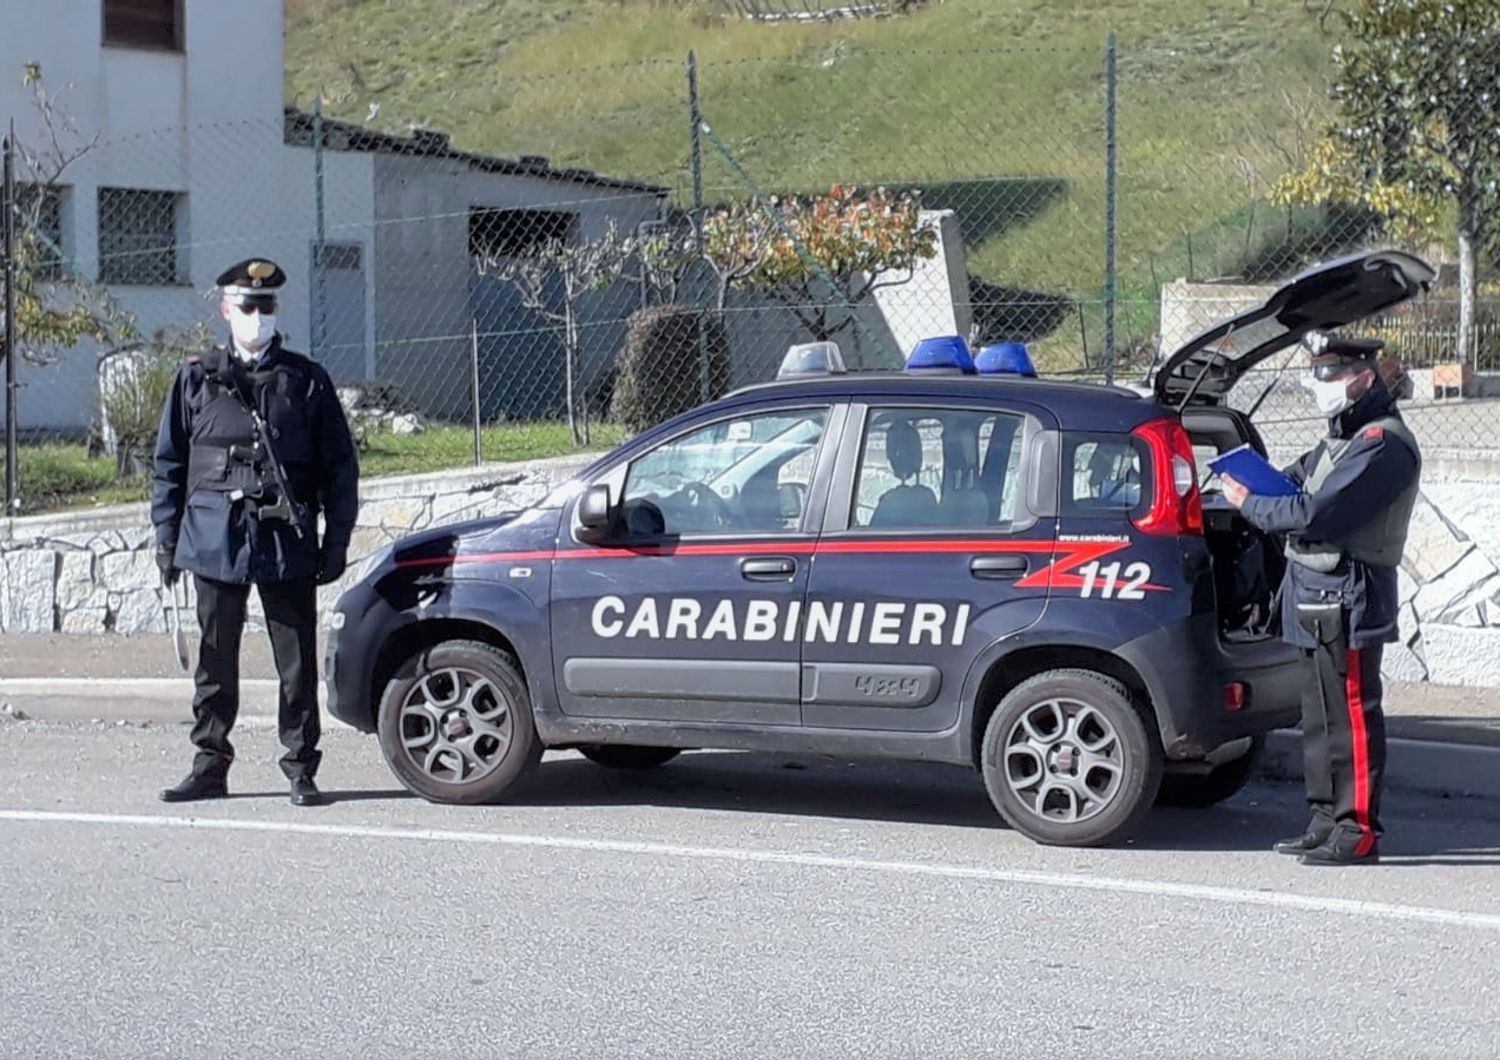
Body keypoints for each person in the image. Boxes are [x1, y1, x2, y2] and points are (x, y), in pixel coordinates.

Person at [150, 258, 359, 806]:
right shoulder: (196, 378)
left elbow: (340, 468)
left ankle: (300, 768)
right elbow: (169, 465)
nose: (258, 315)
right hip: (214, 539)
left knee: (296, 665)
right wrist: (166, 539)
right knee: (214, 661)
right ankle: (210, 766)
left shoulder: (306, 381)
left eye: (266, 306)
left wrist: (336, 541)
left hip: (284, 539)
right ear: (226, 309)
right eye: (247, 305)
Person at [1222, 330, 1421, 866]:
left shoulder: (1383, 445)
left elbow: (1314, 515)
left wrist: (1250, 507)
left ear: (1365, 375)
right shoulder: (1342, 438)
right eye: (1318, 372)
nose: (1322, 384)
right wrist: (1252, 480)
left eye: (1332, 373)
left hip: (1352, 593)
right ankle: (1324, 818)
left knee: (1351, 712)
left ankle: (1356, 830)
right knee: (1318, 714)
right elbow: (1297, 481)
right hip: (1316, 592)